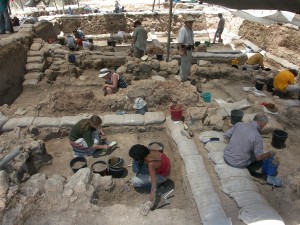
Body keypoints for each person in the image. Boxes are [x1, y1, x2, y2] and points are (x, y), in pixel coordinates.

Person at [223, 112, 275, 179]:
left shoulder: (239, 124)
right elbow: (259, 157)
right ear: (261, 123)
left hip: (226, 156)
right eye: (264, 125)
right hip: (237, 163)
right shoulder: (258, 137)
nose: (264, 126)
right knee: (258, 155)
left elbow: (226, 135)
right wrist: (269, 154)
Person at [129, 144, 171, 216]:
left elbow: (153, 185)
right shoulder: (151, 151)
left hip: (162, 176)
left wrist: (149, 202)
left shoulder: (151, 164)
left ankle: (159, 184)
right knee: (135, 162)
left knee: (134, 181)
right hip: (163, 169)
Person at [178, 15, 195, 82]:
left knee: (188, 64)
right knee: (184, 65)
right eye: (189, 22)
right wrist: (180, 50)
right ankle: (182, 79)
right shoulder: (183, 30)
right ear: (186, 23)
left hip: (189, 49)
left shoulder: (190, 29)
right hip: (185, 49)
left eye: (192, 22)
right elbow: (180, 41)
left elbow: (191, 39)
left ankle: (185, 77)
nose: (191, 24)